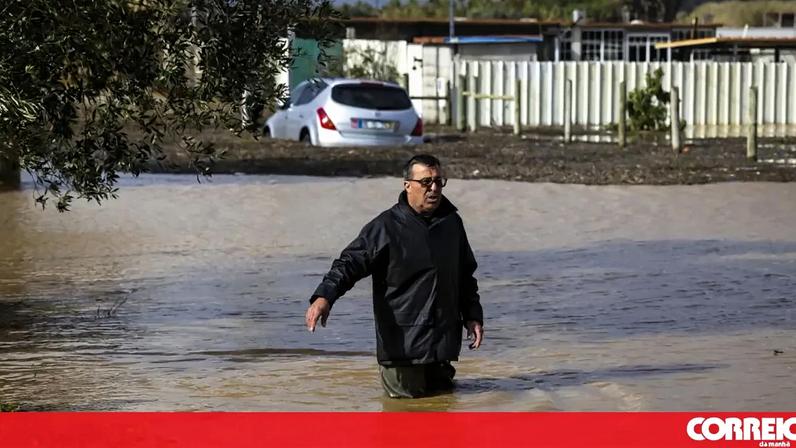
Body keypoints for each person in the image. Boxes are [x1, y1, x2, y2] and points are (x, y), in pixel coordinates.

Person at [305, 154, 484, 398]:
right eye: (426, 182)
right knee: (402, 417)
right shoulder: (386, 227)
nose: (434, 188)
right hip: (402, 350)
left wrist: (473, 315)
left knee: (444, 412)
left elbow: (465, 276)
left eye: (438, 181)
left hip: (442, 348)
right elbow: (349, 264)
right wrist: (324, 297)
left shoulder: (451, 223)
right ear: (407, 185)